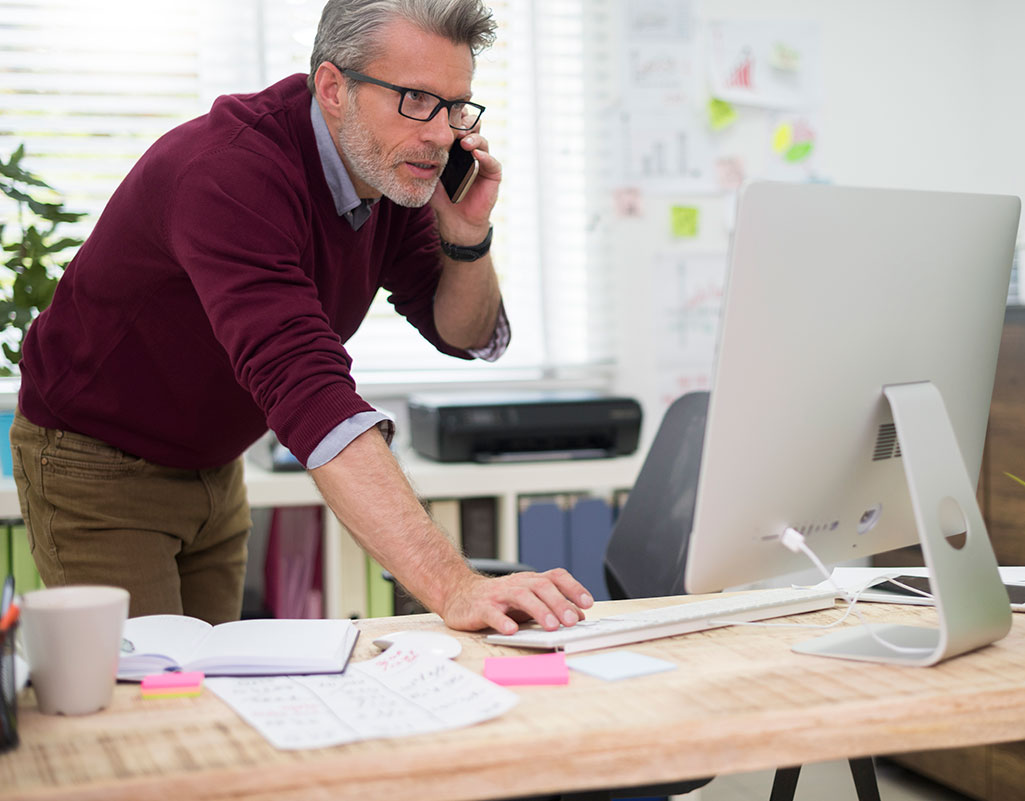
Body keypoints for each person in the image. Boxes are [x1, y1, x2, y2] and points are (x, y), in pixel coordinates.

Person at [9, 0, 593, 634]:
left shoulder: (389, 166)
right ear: (334, 88)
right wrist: (453, 586)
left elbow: (466, 333)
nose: (443, 134)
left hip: (215, 460)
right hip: (96, 460)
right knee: (148, 703)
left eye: (455, 105)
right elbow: (306, 386)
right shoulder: (231, 174)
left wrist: (468, 235)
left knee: (215, 692)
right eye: (417, 100)